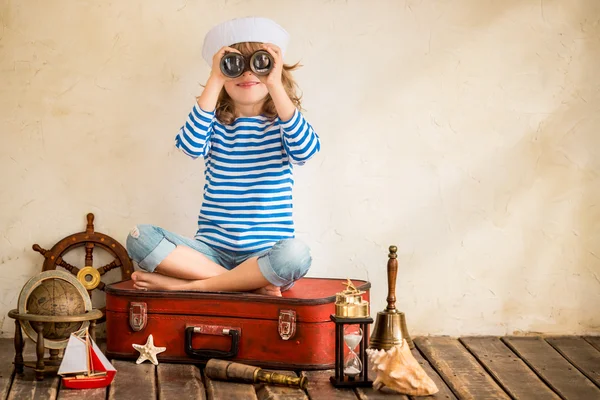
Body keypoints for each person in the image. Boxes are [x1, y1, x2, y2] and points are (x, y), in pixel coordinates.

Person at [126, 17, 320, 296]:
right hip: (210, 252)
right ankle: (247, 286)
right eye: (234, 66)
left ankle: (191, 287)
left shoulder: (283, 125)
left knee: (295, 255)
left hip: (263, 257)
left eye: (260, 64)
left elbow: (306, 150)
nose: (247, 74)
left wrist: (275, 85)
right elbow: (190, 146)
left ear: (277, 71)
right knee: (139, 237)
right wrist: (215, 78)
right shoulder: (213, 124)